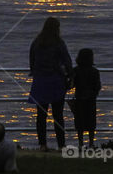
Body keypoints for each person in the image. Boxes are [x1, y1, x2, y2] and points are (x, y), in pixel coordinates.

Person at [27, 17, 72, 151]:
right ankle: (61, 145)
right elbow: (67, 61)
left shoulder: (37, 42)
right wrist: (70, 76)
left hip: (40, 81)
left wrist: (35, 71)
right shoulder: (58, 43)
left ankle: (42, 144)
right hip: (55, 81)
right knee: (58, 115)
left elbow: (32, 60)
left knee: (41, 115)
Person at [71, 48, 101, 149]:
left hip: (79, 98)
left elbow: (71, 85)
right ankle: (91, 143)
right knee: (91, 122)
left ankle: (80, 143)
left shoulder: (76, 70)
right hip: (91, 99)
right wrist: (94, 93)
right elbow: (97, 86)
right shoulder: (95, 71)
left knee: (79, 123)